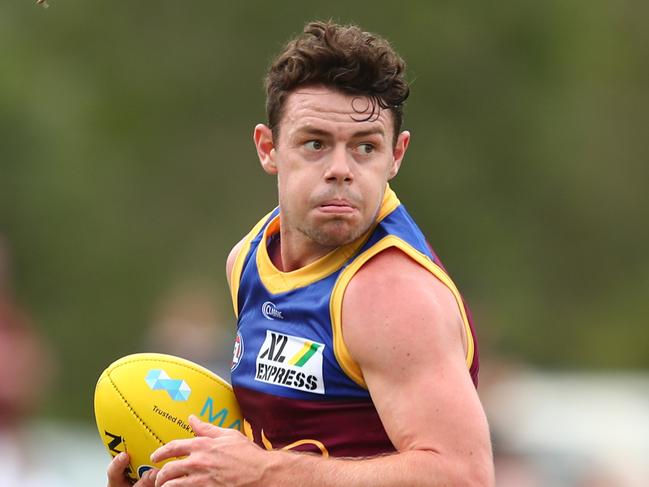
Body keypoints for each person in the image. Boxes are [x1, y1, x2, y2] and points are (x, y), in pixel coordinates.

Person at [108, 20, 494, 486]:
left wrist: (264, 472)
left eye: (365, 147)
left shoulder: (392, 296)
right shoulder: (249, 259)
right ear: (268, 148)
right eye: (315, 144)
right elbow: (272, 447)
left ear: (396, 155)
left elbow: (463, 476)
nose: (340, 170)